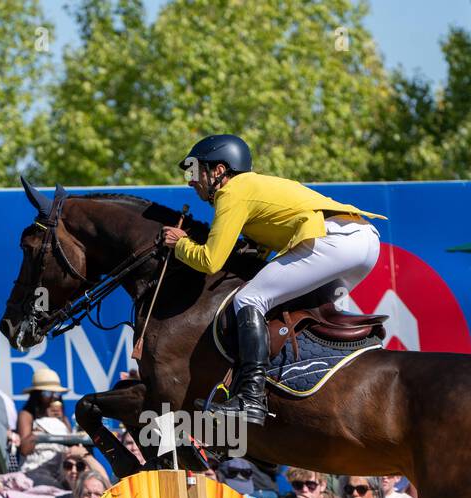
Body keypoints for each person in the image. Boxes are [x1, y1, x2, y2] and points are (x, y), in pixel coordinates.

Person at [162, 135, 386, 424]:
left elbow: (209, 261)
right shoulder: (255, 186)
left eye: (195, 171)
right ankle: (303, 377)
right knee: (300, 310)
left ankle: (251, 398)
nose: (191, 181)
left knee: (249, 298)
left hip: (335, 241)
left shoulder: (233, 192)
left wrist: (179, 244)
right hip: (365, 243)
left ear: (218, 171)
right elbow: (258, 250)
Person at [16, 368, 73, 485]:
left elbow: (72, 443)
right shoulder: (26, 415)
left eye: (56, 393)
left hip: (61, 468)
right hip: (36, 470)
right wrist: (42, 426)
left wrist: (59, 421)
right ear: (36, 395)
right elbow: (25, 449)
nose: (53, 397)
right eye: (47, 393)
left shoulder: (62, 418)